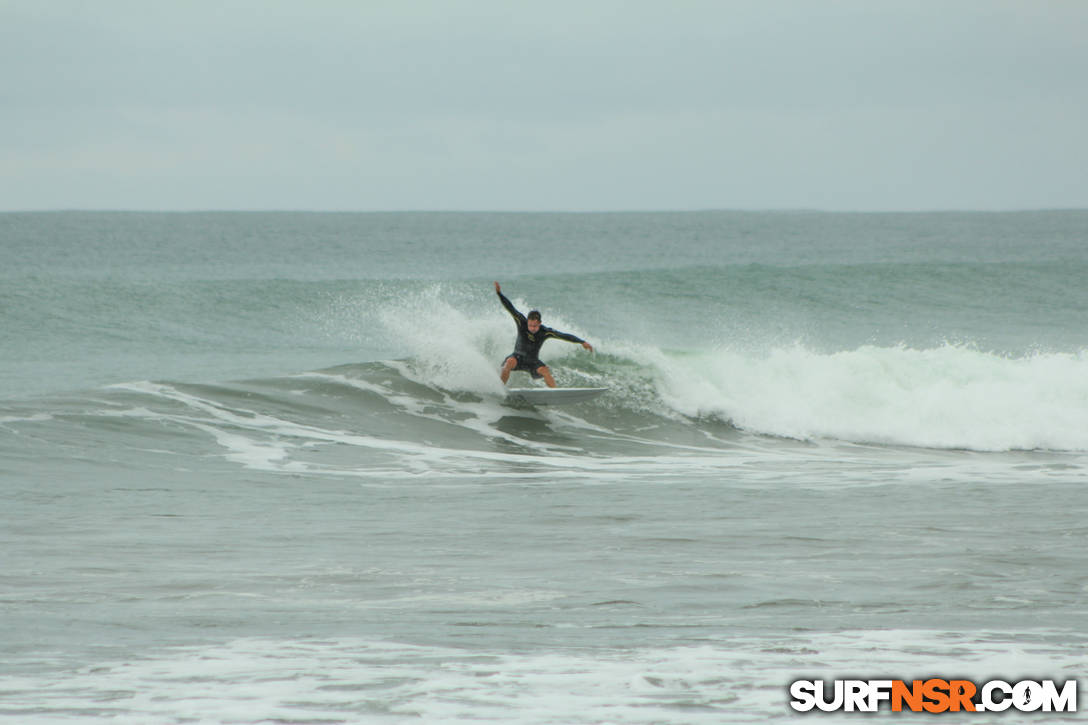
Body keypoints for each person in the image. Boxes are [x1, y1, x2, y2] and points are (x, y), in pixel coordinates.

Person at [494, 281, 593, 388]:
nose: (532, 328)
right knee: (509, 362)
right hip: (517, 358)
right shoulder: (521, 322)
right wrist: (499, 293)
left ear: (539, 323)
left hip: (532, 361)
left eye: (535, 326)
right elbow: (510, 308)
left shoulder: (545, 331)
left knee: (545, 371)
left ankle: (556, 394)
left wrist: (581, 341)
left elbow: (563, 335)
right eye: (530, 325)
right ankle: (500, 389)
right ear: (527, 321)